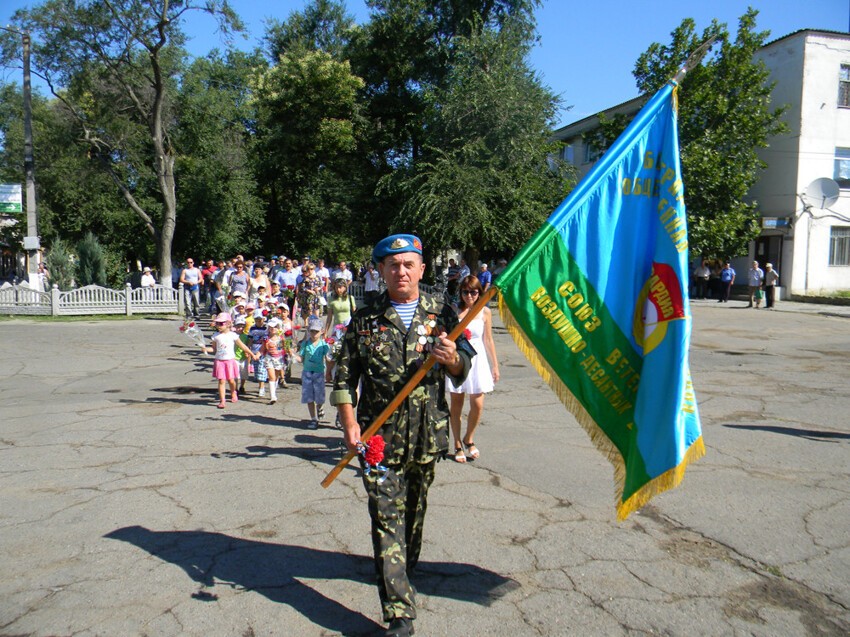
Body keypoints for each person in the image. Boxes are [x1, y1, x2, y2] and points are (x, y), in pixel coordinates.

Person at [330, 233, 473, 637]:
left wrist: (453, 361)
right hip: (379, 438)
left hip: (427, 435)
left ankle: (403, 575)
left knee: (414, 515)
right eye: (392, 265)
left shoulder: (443, 313)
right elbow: (343, 375)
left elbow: (464, 366)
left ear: (422, 269)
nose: (401, 271)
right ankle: (398, 613)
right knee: (385, 517)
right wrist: (347, 420)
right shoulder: (364, 318)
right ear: (380, 271)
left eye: (409, 264)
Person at [447, 275, 499, 463]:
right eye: (466, 292)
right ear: (461, 293)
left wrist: (495, 364)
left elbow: (488, 339)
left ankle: (469, 437)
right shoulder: (455, 311)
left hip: (478, 361)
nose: (469, 296)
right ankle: (457, 443)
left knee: (477, 403)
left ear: (479, 292)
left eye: (474, 292)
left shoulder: (485, 312)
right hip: (460, 359)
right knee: (457, 404)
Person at [201, 313, 257, 409]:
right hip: (219, 361)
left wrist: (252, 354)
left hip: (230, 361)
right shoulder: (216, 336)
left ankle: (233, 392)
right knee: (221, 381)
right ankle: (222, 400)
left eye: (221, 323)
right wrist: (205, 349)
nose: (218, 326)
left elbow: (243, 346)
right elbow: (214, 349)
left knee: (231, 380)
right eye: (217, 323)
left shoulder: (233, 335)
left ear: (228, 324)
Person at [297, 316, 330, 429]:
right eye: (312, 331)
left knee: (319, 397)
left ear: (321, 331)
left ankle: (319, 407)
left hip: (319, 373)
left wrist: (330, 369)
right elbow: (301, 358)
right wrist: (292, 355)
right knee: (309, 397)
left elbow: (328, 358)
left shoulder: (323, 345)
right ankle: (313, 419)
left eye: (316, 331)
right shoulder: (305, 344)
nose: (314, 334)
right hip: (307, 373)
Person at [259, 318, 287, 405]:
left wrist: (290, 353)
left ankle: (273, 390)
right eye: (271, 327)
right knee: (271, 377)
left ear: (279, 328)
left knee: (276, 376)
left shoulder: (281, 338)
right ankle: (273, 396)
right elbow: (262, 349)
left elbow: (286, 348)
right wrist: (256, 355)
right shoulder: (266, 339)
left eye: (275, 327)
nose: (273, 328)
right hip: (269, 358)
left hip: (278, 358)